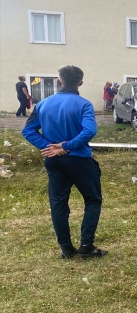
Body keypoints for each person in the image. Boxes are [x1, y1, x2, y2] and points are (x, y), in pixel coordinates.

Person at [22, 65, 108, 259]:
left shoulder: (43, 104)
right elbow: (89, 131)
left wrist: (50, 147)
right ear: (81, 83)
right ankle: (86, 246)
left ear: (59, 81)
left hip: (54, 162)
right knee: (93, 200)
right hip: (79, 160)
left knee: (58, 203)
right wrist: (66, 146)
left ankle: (66, 249)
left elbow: (27, 131)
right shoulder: (84, 104)